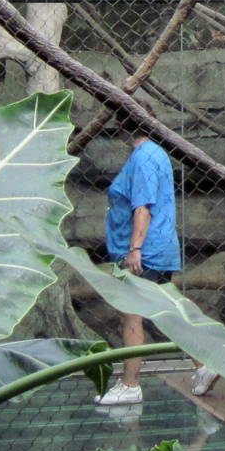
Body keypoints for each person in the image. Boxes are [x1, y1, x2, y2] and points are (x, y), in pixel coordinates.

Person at [94, 104, 185, 406]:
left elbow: (142, 207)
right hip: (157, 248)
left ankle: (130, 384)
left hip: (145, 252)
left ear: (122, 127)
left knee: (131, 315)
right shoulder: (154, 153)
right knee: (169, 314)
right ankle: (205, 365)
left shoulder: (144, 157)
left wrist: (135, 249)